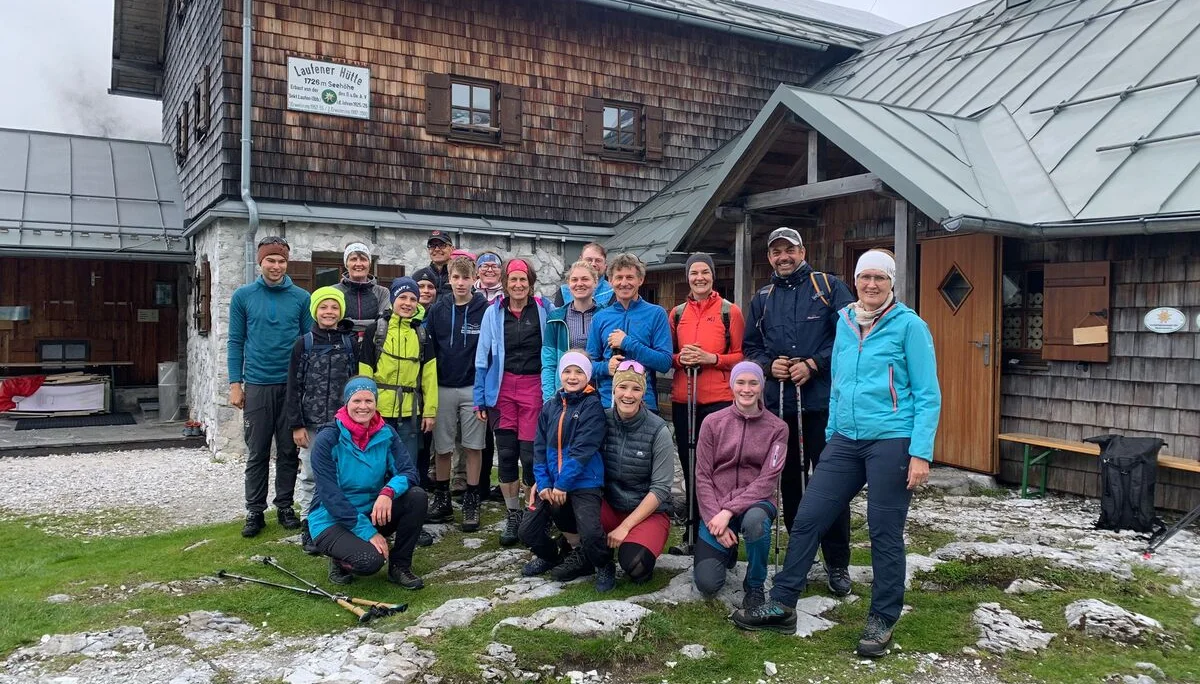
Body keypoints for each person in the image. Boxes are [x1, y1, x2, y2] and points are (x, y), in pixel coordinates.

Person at [732, 250, 941, 659]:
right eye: (865, 278)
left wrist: (921, 453)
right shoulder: (845, 321)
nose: (872, 285)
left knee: (883, 530)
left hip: (892, 439)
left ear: (891, 283)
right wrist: (831, 430)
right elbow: (842, 379)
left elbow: (928, 393)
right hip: (845, 438)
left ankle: (882, 618)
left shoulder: (910, 326)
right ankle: (784, 603)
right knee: (809, 516)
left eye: (880, 278)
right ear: (857, 281)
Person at [743, 226, 855, 596]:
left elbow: (849, 336)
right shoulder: (762, 298)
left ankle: (837, 563)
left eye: (788, 250)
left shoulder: (829, 287)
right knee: (791, 486)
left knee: (830, 486)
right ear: (769, 258)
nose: (782, 257)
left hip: (823, 405)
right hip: (781, 408)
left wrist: (815, 363)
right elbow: (751, 347)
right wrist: (768, 364)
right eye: (776, 252)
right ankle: (800, 559)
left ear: (802, 250)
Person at [228, 235, 313, 538]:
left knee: (289, 450)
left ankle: (285, 506)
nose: (276, 266)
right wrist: (235, 384)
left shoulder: (301, 298)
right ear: (260, 262)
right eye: (270, 260)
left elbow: (308, 343)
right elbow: (236, 341)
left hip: (290, 385)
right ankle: (254, 511)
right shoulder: (243, 296)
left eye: (281, 261)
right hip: (258, 385)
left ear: (287, 263)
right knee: (257, 452)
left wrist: (306, 385)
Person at [307, 376, 427, 589]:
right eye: (357, 401)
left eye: (369, 401)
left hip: (371, 509)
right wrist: (368, 532)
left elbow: (409, 472)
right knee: (369, 562)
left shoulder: (386, 433)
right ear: (346, 403)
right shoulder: (328, 439)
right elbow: (331, 496)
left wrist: (388, 492)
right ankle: (339, 561)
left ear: (376, 403)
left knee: (416, 496)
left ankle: (400, 566)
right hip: (330, 519)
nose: (363, 407)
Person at [692, 362, 787, 609]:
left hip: (757, 502)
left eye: (753, 383)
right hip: (717, 506)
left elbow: (768, 478)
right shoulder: (712, 422)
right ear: (732, 385)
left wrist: (729, 511)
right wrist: (716, 518)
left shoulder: (778, 428)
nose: (747, 389)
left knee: (755, 522)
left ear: (761, 386)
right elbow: (702, 475)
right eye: (741, 382)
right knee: (708, 584)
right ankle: (728, 551)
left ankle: (755, 584)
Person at [667, 253, 745, 552]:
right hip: (684, 398)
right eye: (694, 273)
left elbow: (741, 355)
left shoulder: (730, 312)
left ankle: (719, 530)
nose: (699, 277)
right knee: (690, 466)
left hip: (719, 401)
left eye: (705, 272)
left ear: (713, 276)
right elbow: (668, 355)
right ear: (687, 277)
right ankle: (691, 533)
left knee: (718, 469)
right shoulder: (676, 314)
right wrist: (681, 358)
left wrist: (711, 359)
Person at [474, 258, 552, 546]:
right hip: (502, 388)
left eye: (523, 280)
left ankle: (535, 512)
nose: (518, 285)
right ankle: (513, 514)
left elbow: (554, 347)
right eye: (513, 280)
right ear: (505, 284)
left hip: (534, 388)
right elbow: (483, 357)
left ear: (530, 283)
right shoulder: (493, 312)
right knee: (506, 455)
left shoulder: (544, 310)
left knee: (531, 456)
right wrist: (480, 398)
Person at [518, 352, 612, 590]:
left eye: (579, 372)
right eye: (567, 371)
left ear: (588, 376)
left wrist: (563, 484)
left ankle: (602, 565)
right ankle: (552, 555)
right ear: (560, 374)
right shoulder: (550, 406)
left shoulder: (592, 406)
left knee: (591, 532)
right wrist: (545, 482)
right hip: (552, 482)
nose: (572, 377)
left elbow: (582, 451)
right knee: (527, 531)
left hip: (583, 481)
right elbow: (539, 448)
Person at [285, 286, 358, 554]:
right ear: (315, 310)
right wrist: (296, 424)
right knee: (311, 474)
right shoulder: (303, 343)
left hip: (342, 424)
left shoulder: (349, 343)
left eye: (334, 307)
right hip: (312, 423)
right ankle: (309, 525)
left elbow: (356, 385)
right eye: (324, 307)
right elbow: (293, 386)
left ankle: (337, 521)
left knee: (341, 474)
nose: (329, 312)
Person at [596, 360, 675, 587]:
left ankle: (634, 543)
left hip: (647, 512)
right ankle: (588, 550)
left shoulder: (658, 430)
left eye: (636, 389)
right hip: (610, 505)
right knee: (569, 501)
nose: (628, 395)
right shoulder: (601, 420)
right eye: (622, 387)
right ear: (614, 390)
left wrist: (625, 527)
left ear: (644, 393)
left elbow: (660, 489)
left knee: (635, 565)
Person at [424, 257, 488, 532]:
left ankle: (472, 498)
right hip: (442, 386)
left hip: (474, 386)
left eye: (466, 277)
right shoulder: (438, 308)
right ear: (448, 279)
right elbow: (428, 347)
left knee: (474, 446)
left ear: (475, 279)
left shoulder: (485, 309)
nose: (460, 283)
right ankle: (442, 498)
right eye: (455, 277)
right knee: (443, 447)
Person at [360, 277, 439, 494]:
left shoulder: (422, 334)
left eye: (413, 299)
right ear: (393, 299)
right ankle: (375, 516)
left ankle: (406, 517)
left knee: (408, 466)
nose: (408, 303)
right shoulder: (376, 331)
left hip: (410, 414)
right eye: (402, 297)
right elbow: (365, 373)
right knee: (376, 465)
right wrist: (365, 409)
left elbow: (429, 376)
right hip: (379, 413)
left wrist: (430, 412)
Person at [587, 253, 672, 412]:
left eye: (630, 277)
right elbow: (588, 365)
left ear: (640, 280)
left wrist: (627, 343)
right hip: (608, 404)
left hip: (644, 404)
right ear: (610, 281)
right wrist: (606, 368)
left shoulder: (656, 314)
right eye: (619, 277)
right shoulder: (600, 318)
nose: (624, 283)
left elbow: (664, 362)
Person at [542, 260, 601, 401]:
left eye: (585, 279)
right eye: (574, 279)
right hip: (565, 393)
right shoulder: (555, 318)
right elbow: (549, 363)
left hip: (597, 391)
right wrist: (549, 399)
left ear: (595, 282)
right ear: (568, 284)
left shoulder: (605, 316)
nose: (579, 283)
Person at [333, 242, 391, 334]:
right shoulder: (333, 291)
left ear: (369, 264)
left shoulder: (383, 292)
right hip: (342, 345)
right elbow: (332, 322)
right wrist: (373, 323)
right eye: (353, 259)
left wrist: (347, 323)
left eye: (363, 259)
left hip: (373, 345)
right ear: (346, 264)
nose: (358, 264)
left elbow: (383, 323)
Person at [554, 242, 613, 307]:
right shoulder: (564, 291)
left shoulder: (613, 291)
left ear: (605, 265)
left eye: (598, 260)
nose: (593, 264)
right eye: (589, 260)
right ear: (580, 260)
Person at [423, 230, 454, 299]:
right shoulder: (421, 275)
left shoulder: (458, 275)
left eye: (442, 245)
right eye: (432, 246)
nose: (436, 249)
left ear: (452, 249)